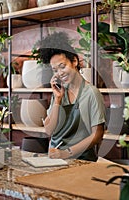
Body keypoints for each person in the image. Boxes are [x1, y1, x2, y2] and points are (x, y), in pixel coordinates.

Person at [39, 32, 106, 161]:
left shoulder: (91, 93)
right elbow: (49, 130)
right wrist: (57, 100)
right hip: (55, 159)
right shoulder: (59, 92)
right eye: (55, 70)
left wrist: (66, 153)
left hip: (81, 161)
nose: (60, 73)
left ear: (74, 61)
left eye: (62, 66)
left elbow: (97, 134)